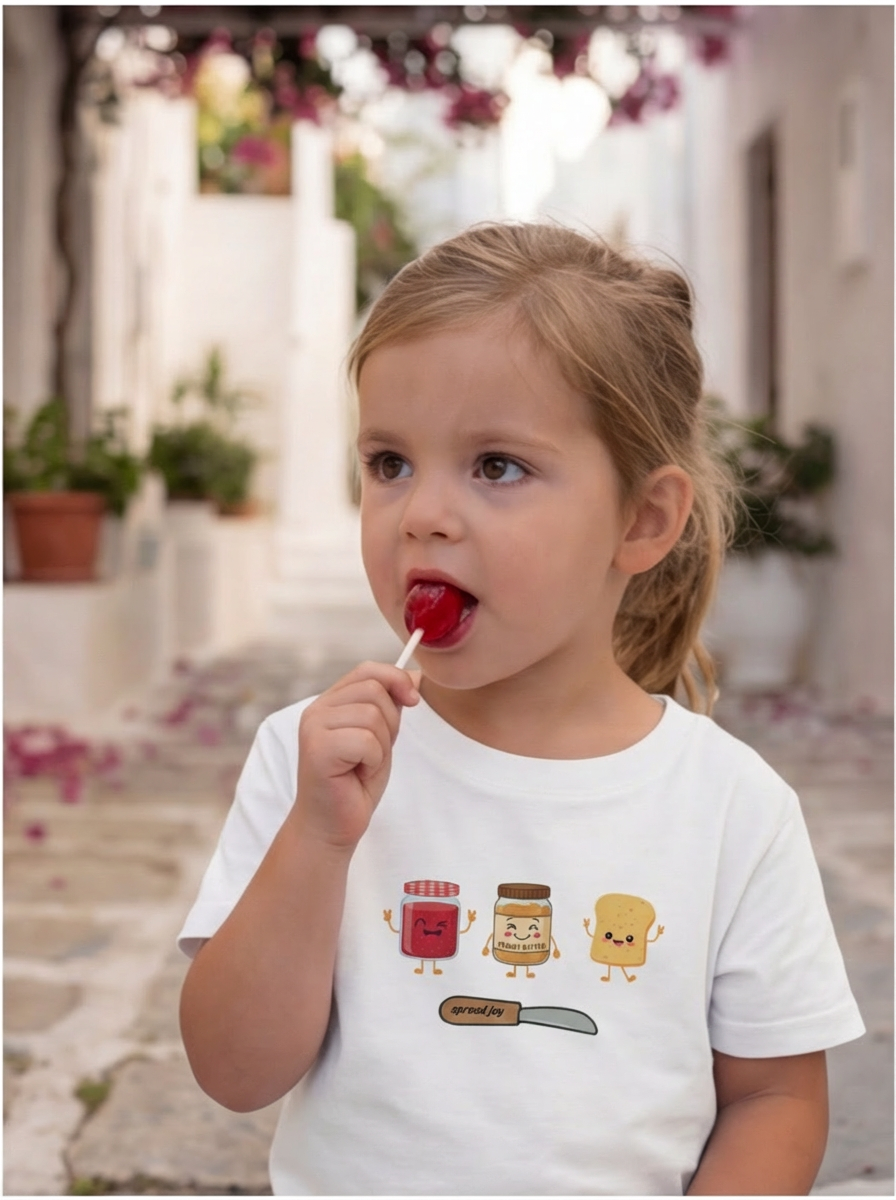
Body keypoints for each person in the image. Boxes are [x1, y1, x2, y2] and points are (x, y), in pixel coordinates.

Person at [178, 222, 864, 1195]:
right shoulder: (309, 762)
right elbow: (233, 1073)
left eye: (495, 466)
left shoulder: (726, 808)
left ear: (640, 520)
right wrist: (315, 843)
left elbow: (774, 1099)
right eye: (387, 463)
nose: (420, 513)